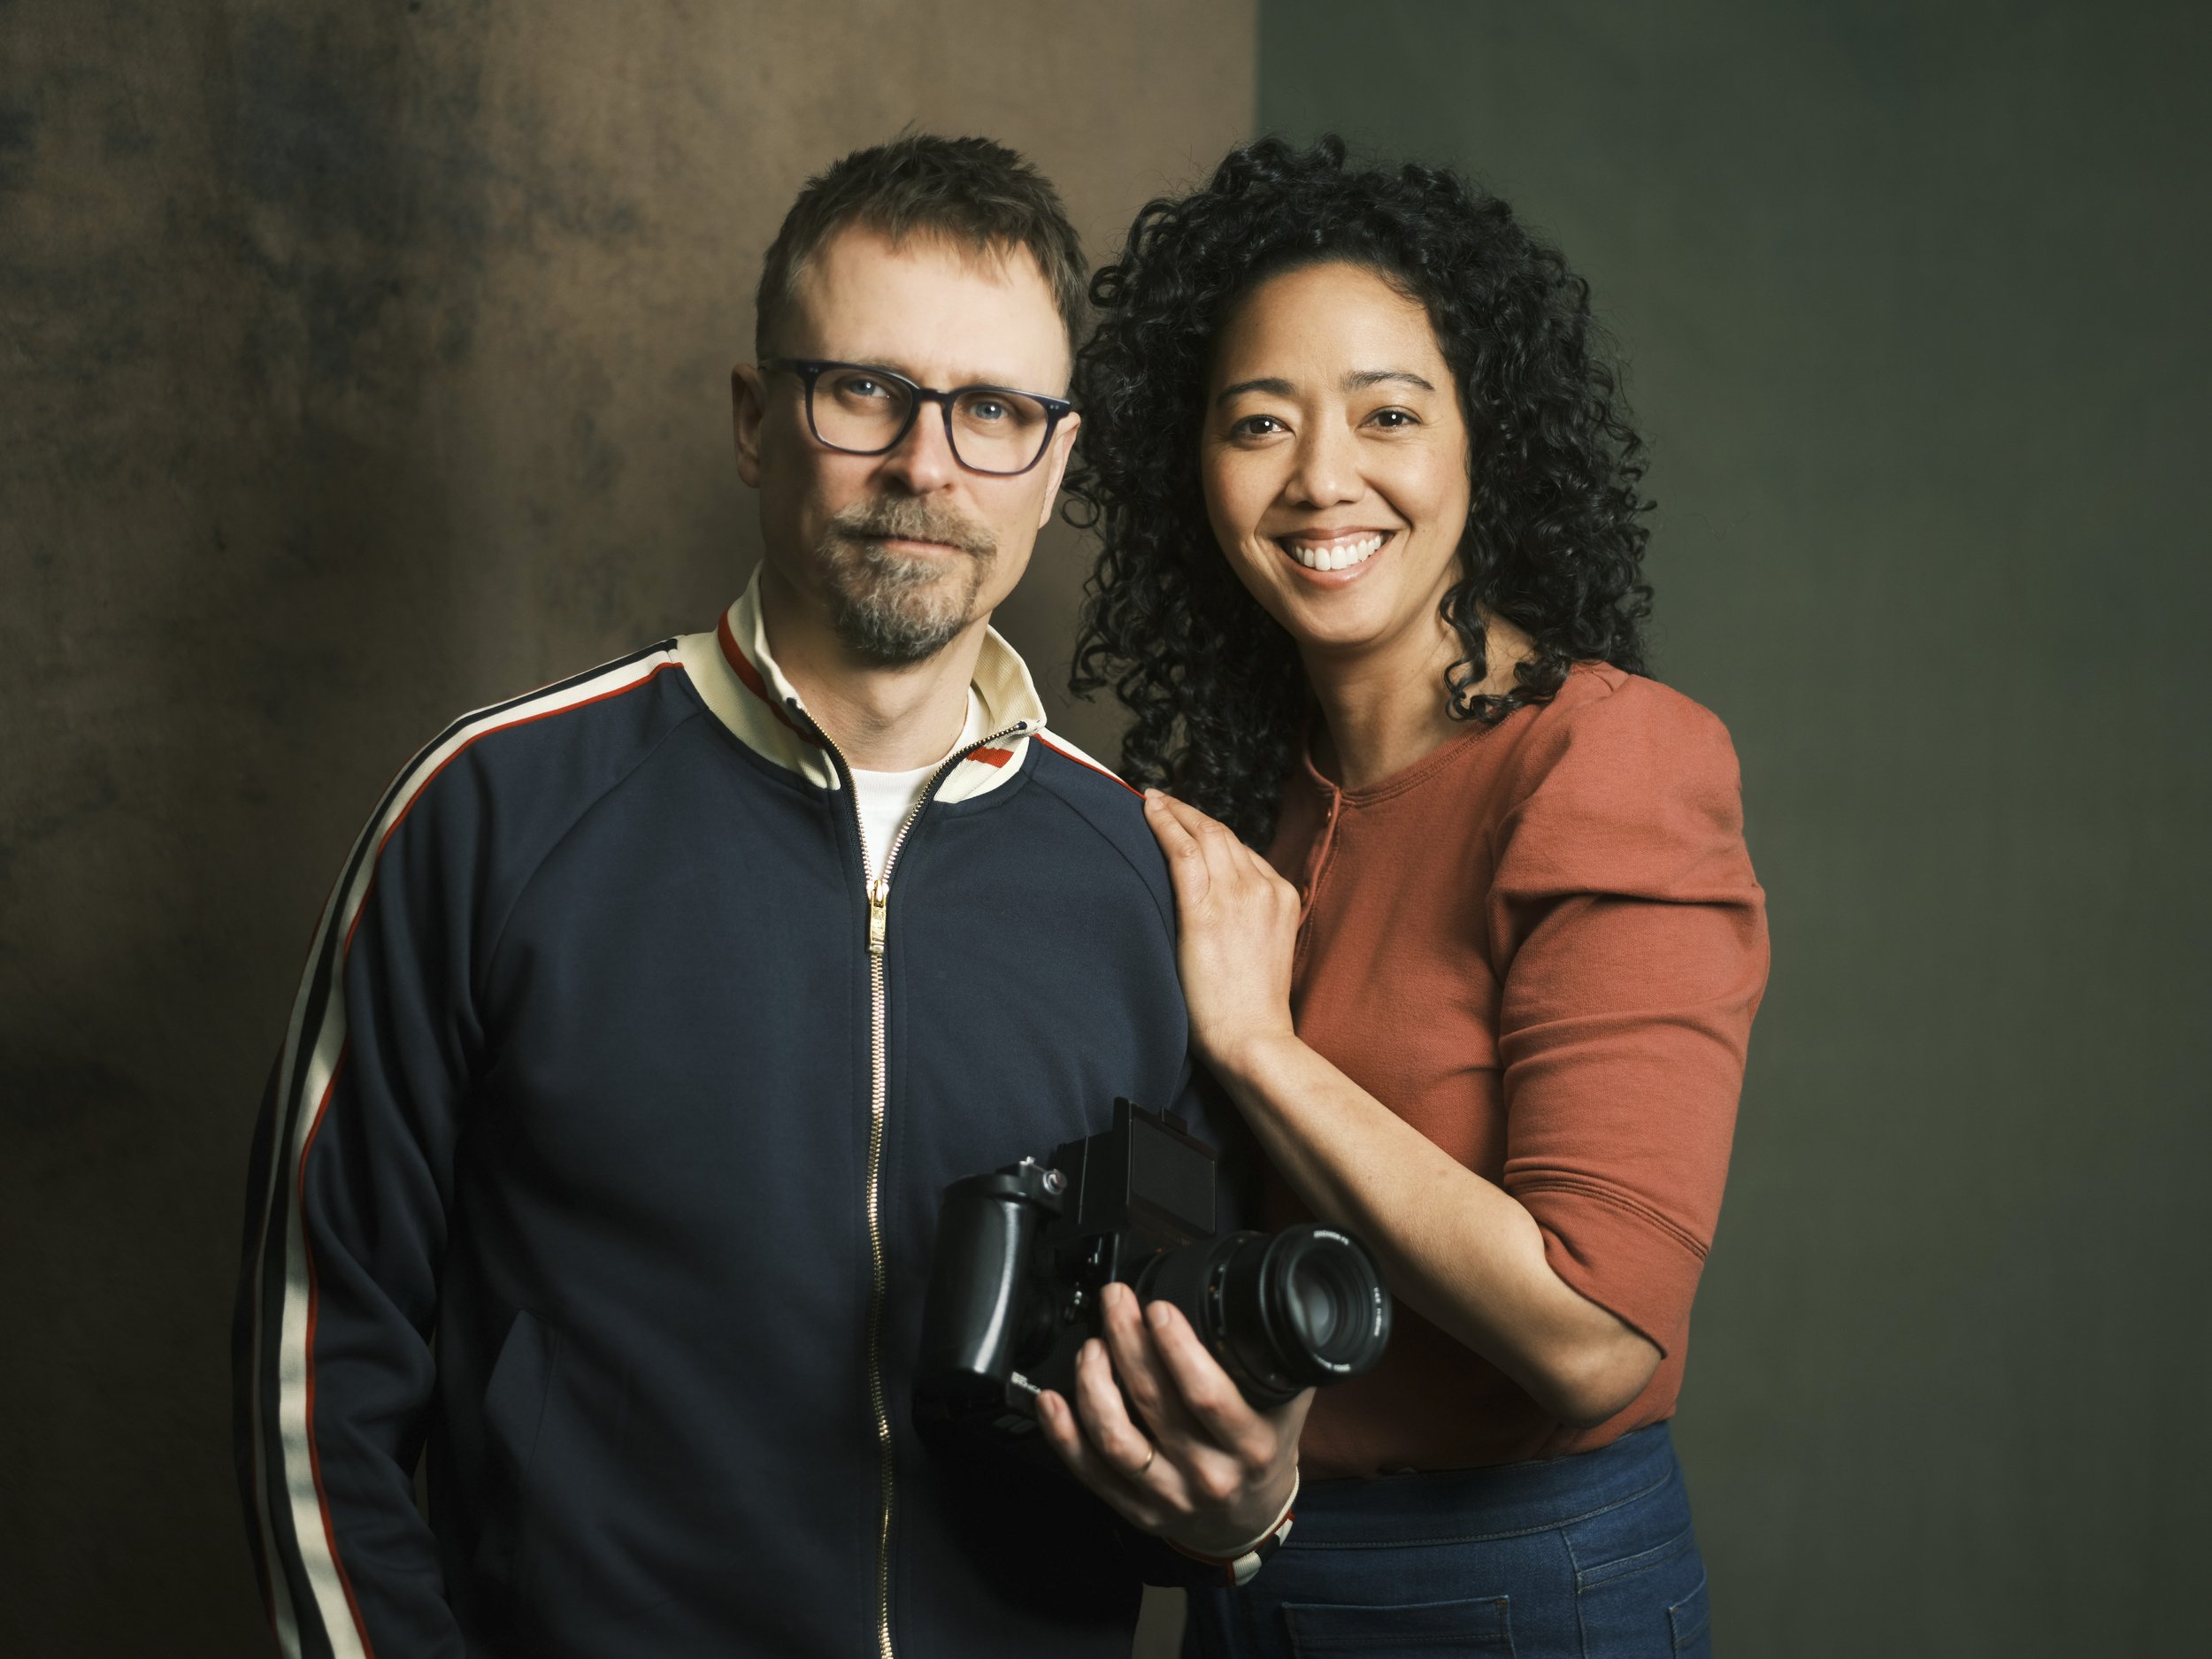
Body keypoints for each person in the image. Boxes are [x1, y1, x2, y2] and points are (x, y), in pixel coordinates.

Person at [231, 134, 1303, 1659]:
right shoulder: (490, 815)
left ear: (1057, 464)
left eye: (995, 411)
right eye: (863, 389)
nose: (926, 464)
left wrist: (1245, 1507)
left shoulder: (1151, 882)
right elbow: (314, 1379)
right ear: (756, 418)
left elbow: (1180, 1435)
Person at [1067, 135, 1770, 1656]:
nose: (1323, 477)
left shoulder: (1608, 763)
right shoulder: (1244, 799)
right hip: (1248, 1566)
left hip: (1516, 1589)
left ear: (1481, 443)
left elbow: (1596, 1337)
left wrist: (1261, 1049)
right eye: (1260, 423)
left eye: (1388, 413)